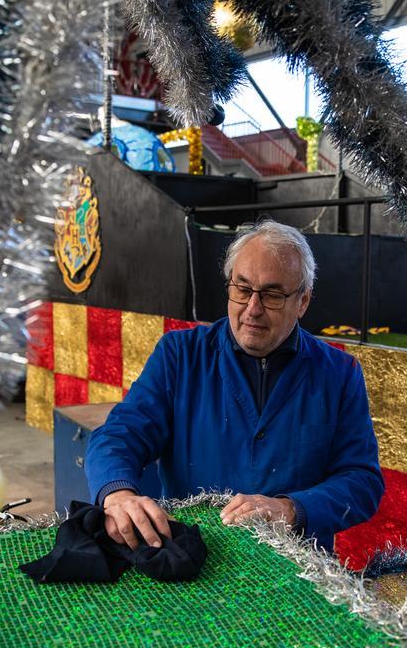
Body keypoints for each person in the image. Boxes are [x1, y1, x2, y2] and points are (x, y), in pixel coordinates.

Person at [84, 220, 384, 552]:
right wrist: (117, 493)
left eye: (271, 295)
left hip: (299, 571)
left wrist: (292, 509)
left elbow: (362, 481)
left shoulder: (340, 374)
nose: (252, 309)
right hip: (195, 559)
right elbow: (120, 434)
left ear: (302, 302)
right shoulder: (180, 355)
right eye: (242, 289)